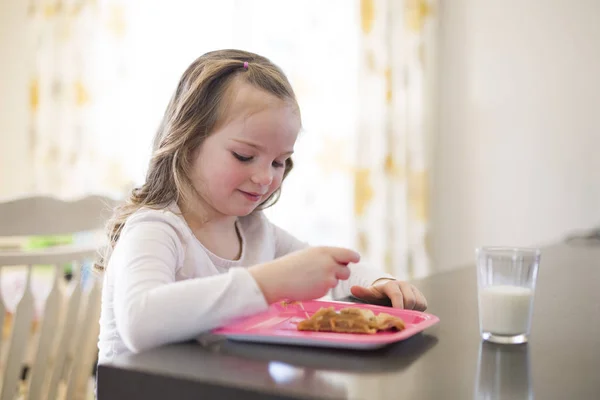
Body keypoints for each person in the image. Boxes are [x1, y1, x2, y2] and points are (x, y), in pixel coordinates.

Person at [96, 49, 427, 364]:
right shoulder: (155, 229)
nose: (264, 177)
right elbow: (140, 323)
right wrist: (265, 284)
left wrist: (380, 282)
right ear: (188, 142)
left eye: (280, 162)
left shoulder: (255, 230)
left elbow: (330, 270)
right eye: (244, 156)